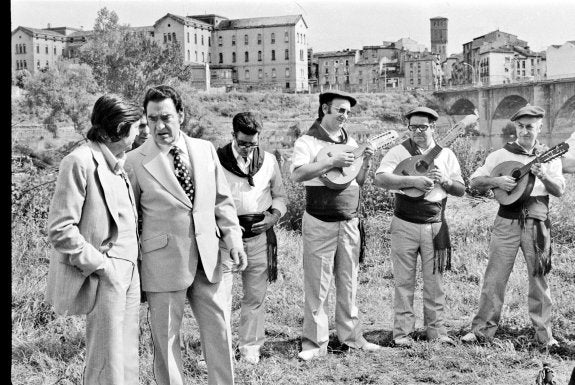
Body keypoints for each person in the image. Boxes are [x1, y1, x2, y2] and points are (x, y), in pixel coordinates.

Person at [125, 85, 247, 385]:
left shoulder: (204, 149)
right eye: (152, 119)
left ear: (181, 115)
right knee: (166, 341)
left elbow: (222, 201)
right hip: (163, 265)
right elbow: (130, 220)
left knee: (220, 333)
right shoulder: (134, 161)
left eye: (166, 117)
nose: (159, 126)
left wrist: (233, 239)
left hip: (210, 259)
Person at [46, 94, 142, 384]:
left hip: (130, 272)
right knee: (105, 359)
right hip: (106, 273)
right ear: (121, 128)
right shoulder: (79, 162)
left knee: (126, 354)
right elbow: (61, 229)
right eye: (137, 126)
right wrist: (102, 266)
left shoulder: (118, 162)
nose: (142, 132)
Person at [461, 104, 565, 347]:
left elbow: (559, 190)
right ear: (515, 128)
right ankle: (481, 331)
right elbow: (474, 181)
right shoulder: (500, 155)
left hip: (536, 223)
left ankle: (544, 336)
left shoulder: (550, 156)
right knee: (495, 277)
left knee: (539, 278)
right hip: (506, 222)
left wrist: (544, 176)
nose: (525, 131)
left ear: (540, 127)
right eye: (520, 126)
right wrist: (496, 180)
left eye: (530, 126)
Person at [290, 90, 382, 361]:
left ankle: (352, 338)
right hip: (320, 220)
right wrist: (331, 161)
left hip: (349, 220)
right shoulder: (306, 141)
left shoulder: (351, 142)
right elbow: (297, 174)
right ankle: (314, 344)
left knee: (349, 281)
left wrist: (365, 164)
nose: (344, 116)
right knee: (317, 284)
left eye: (348, 112)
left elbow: (356, 181)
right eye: (340, 110)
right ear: (324, 109)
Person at [374, 106, 466, 347]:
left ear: (433, 127)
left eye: (422, 127)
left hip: (435, 225)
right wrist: (412, 180)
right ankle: (402, 333)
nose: (416, 131)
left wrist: (444, 180)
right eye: (412, 127)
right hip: (404, 222)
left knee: (435, 283)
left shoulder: (446, 154)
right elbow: (380, 178)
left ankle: (436, 331)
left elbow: (461, 189)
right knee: (403, 282)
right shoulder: (399, 151)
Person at [217, 111, 288, 365]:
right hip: (224, 236)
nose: (247, 148)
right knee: (219, 297)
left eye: (253, 143)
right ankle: (219, 350)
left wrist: (273, 216)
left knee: (255, 296)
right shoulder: (216, 160)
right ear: (232, 135)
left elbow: (280, 195)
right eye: (242, 142)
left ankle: (250, 347)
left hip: (259, 235)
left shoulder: (268, 160)